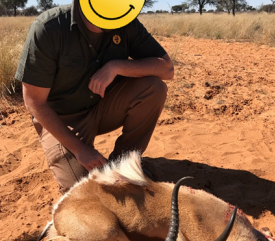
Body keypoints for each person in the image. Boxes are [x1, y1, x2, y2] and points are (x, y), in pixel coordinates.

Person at [15, 0, 174, 194]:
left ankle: (122, 164)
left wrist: (116, 66)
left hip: (103, 107)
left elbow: (166, 68)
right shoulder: (49, 28)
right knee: (82, 191)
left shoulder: (123, 20)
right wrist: (80, 149)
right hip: (63, 119)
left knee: (154, 88)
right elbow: (33, 101)